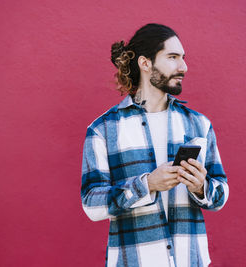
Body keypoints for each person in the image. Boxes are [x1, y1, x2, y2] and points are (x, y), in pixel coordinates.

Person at [81, 23, 229, 267]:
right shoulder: (103, 130)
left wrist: (202, 187)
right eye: (172, 57)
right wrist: (147, 184)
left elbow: (221, 194)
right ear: (145, 63)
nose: (183, 67)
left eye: (183, 58)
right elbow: (91, 205)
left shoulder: (199, 124)